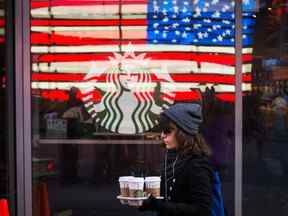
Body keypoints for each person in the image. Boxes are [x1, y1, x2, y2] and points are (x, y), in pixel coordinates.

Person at [139, 103, 213, 216]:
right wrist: (146, 201)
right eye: (162, 130)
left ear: (182, 133)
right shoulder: (172, 157)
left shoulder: (197, 164)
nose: (162, 135)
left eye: (167, 131)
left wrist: (158, 205)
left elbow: (202, 210)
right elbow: (166, 199)